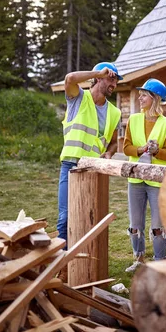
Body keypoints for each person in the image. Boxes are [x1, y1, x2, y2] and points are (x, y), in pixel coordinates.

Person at [57, 62, 122, 246]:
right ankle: (61, 267)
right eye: (111, 78)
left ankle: (82, 263)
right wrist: (98, 72)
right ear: (98, 78)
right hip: (71, 165)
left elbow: (114, 142)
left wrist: (109, 154)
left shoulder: (115, 113)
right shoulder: (78, 98)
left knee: (88, 217)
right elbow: (70, 79)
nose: (114, 85)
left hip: (94, 169)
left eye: (116, 81)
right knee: (65, 217)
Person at [123, 78, 166, 272]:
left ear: (155, 98)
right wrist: (141, 149)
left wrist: (156, 151)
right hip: (135, 179)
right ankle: (139, 259)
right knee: (135, 224)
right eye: (140, 94)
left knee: (157, 226)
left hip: (157, 181)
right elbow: (126, 147)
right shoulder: (133, 119)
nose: (140, 97)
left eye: (144, 95)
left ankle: (160, 262)